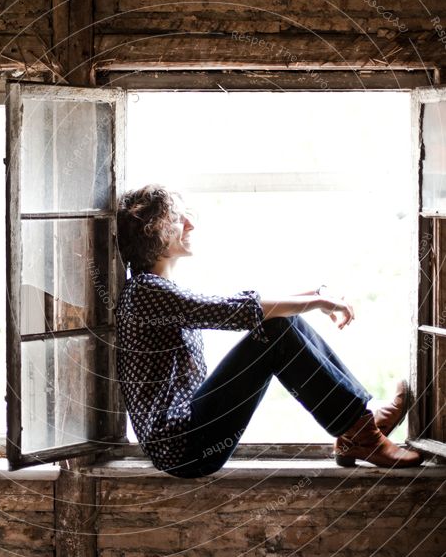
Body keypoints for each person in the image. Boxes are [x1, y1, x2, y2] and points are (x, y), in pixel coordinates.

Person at [114, 183, 423, 478]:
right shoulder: (145, 292)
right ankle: (360, 433)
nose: (191, 224)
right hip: (184, 447)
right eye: (178, 219)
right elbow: (234, 311)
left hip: (189, 438)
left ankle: (356, 427)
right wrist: (316, 301)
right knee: (274, 329)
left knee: (282, 323)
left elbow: (238, 311)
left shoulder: (154, 291)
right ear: (153, 232)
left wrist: (310, 298)